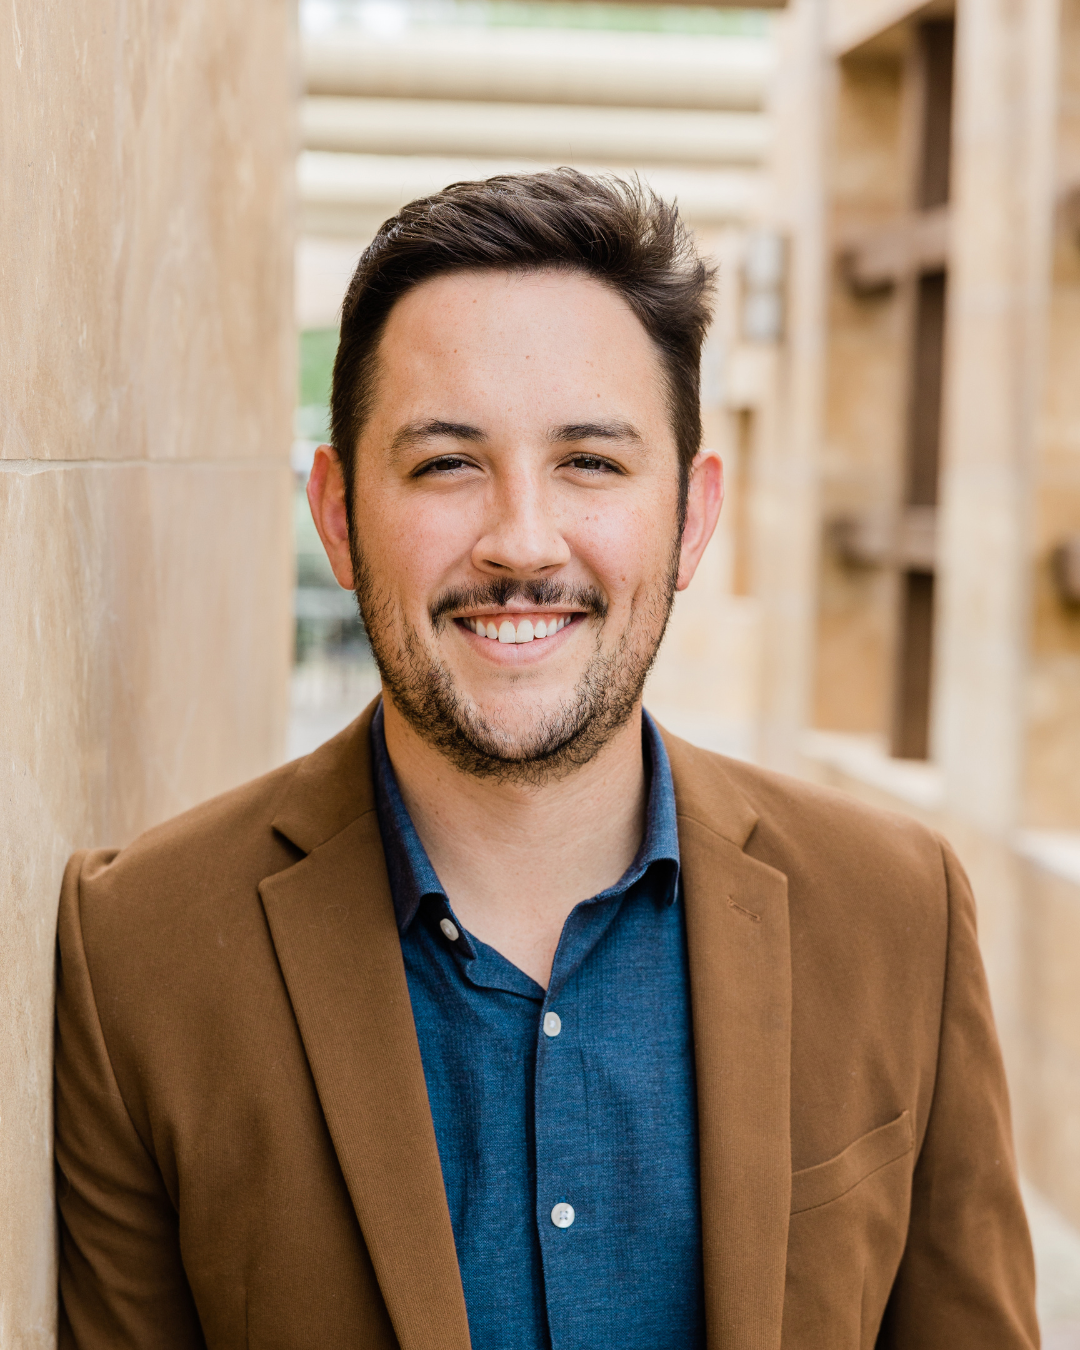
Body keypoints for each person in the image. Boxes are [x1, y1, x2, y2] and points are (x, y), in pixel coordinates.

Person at [55, 170, 1038, 1350]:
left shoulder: (898, 916)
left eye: (591, 462)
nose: (523, 542)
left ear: (690, 517)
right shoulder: (137, 956)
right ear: (337, 516)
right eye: (446, 464)